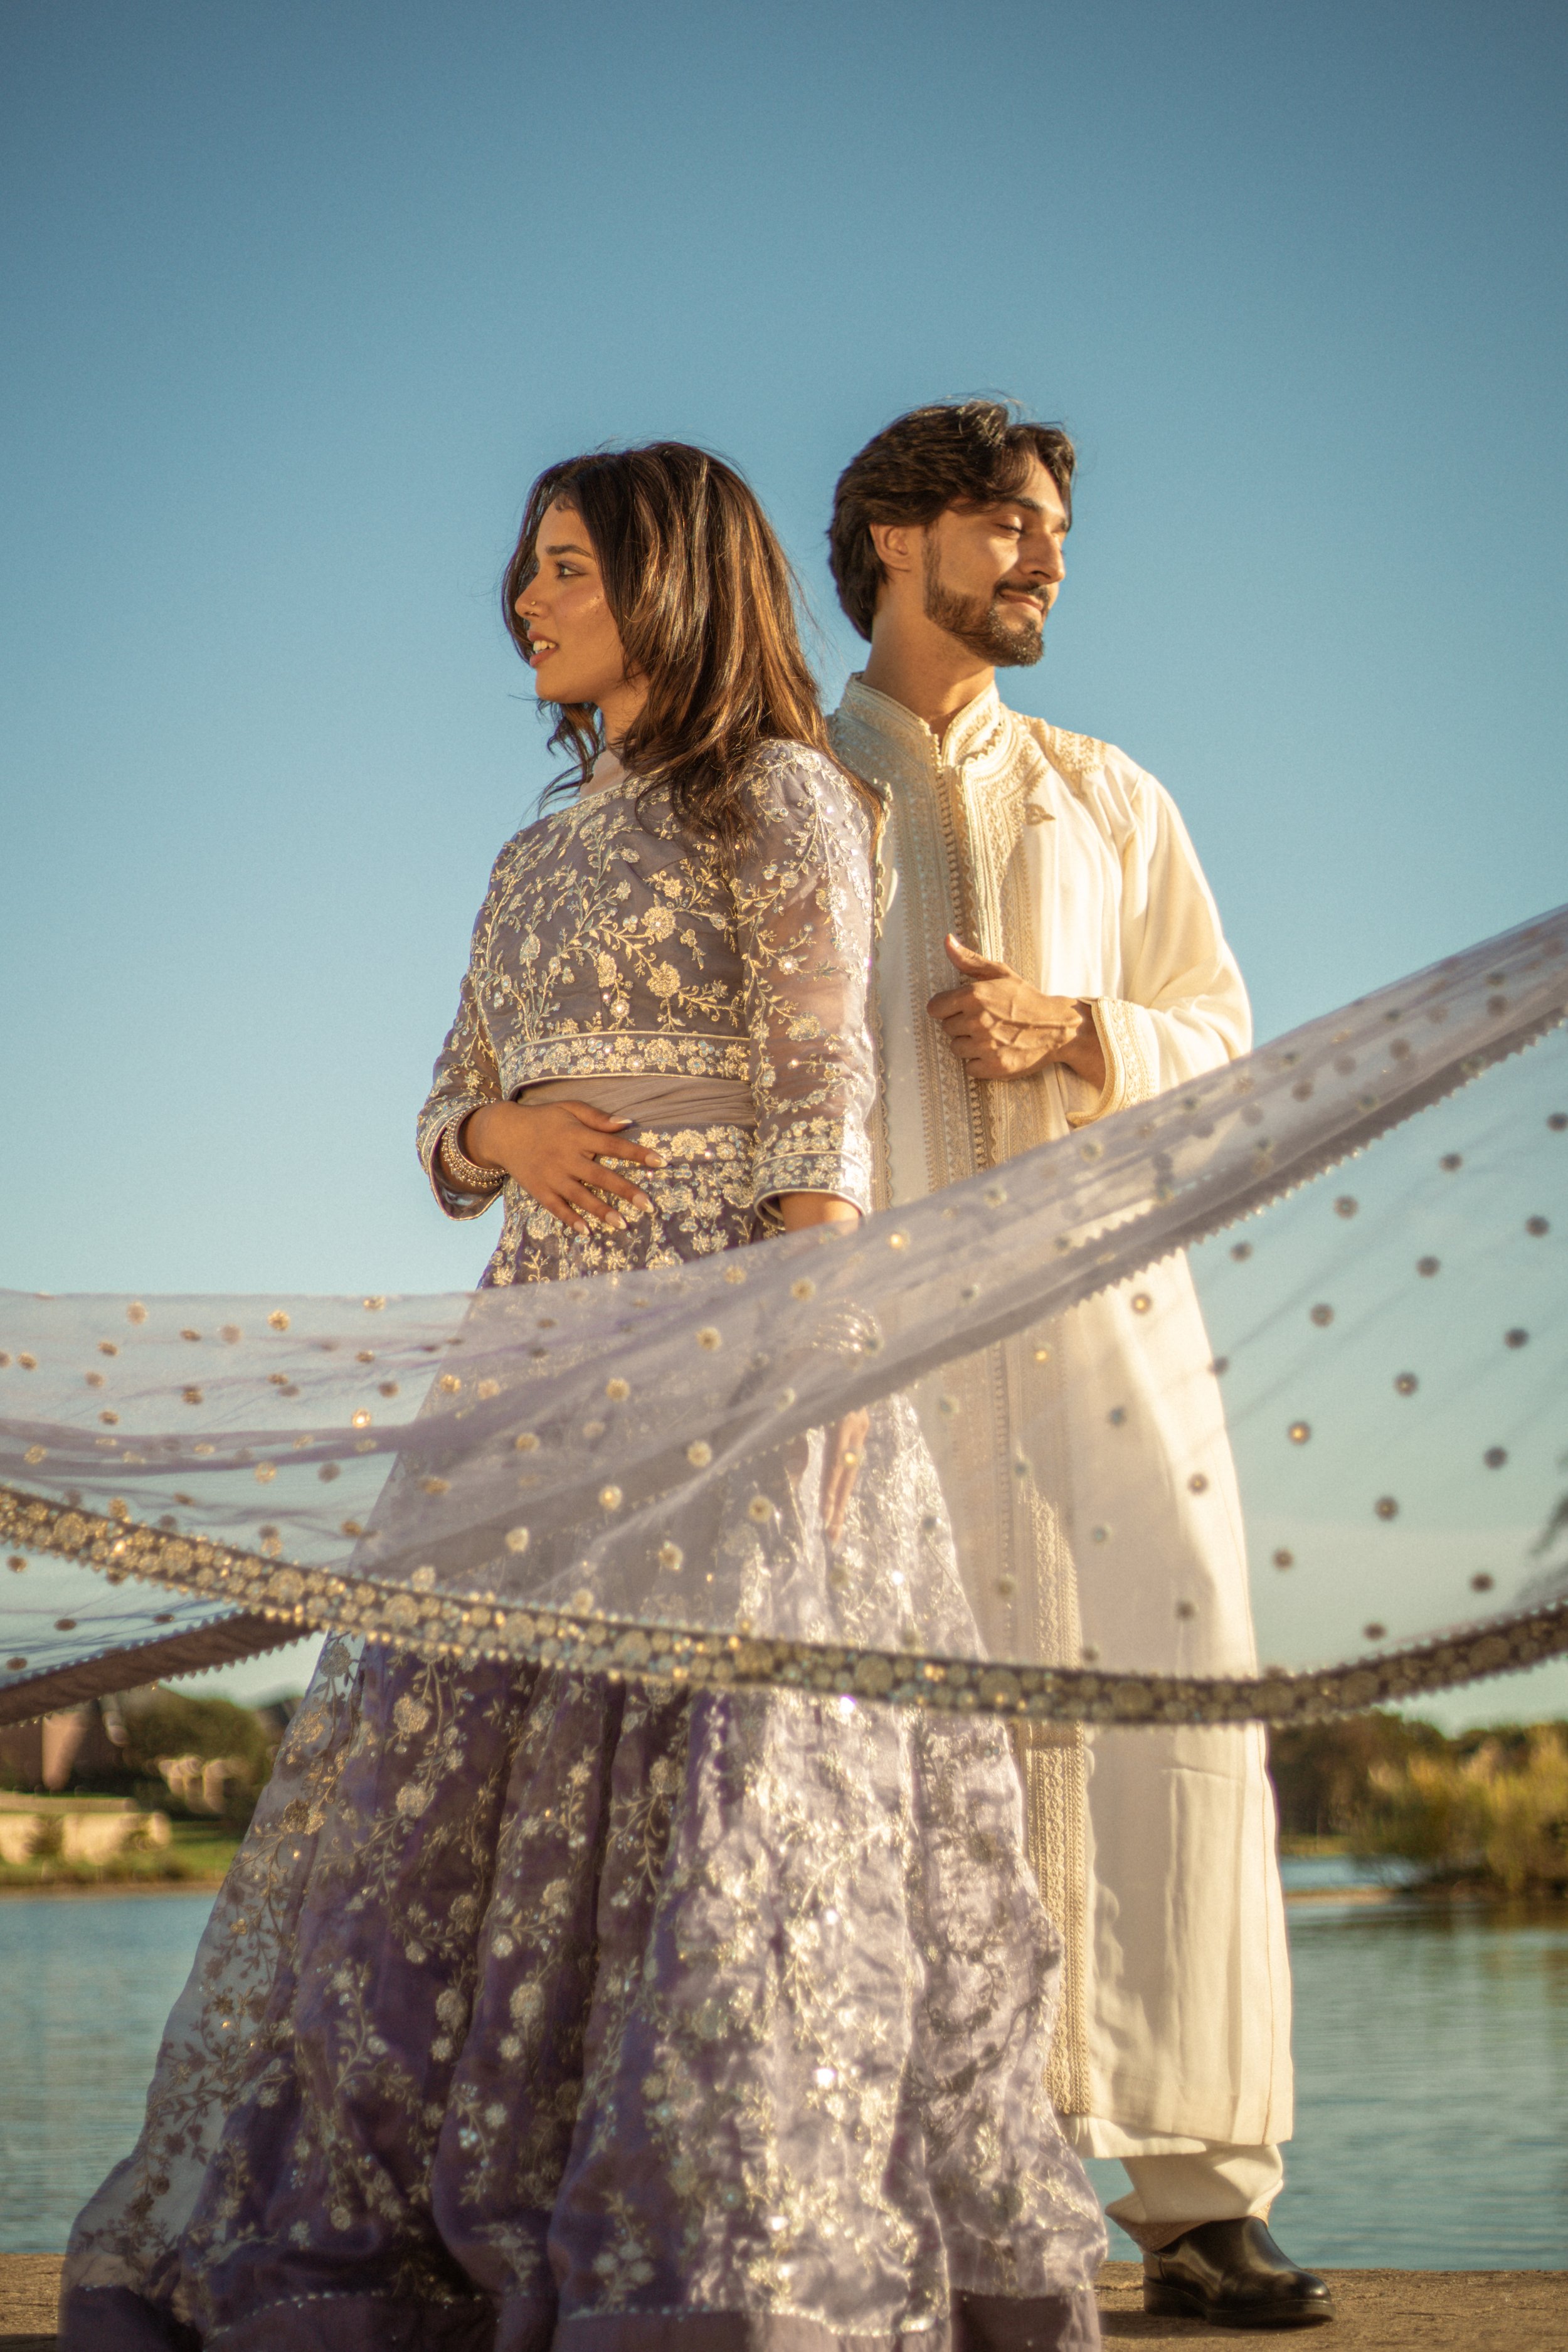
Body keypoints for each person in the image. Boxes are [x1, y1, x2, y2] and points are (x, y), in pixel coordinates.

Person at [59, 442, 1105, 2350]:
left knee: (731, 1777)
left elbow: (821, 1089)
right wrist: (496, 1126)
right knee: (462, 1780)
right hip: (539, 1345)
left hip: (731, 1330)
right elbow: (441, 1112)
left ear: (669, 580)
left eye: (561, 565)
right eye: (525, 568)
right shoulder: (529, 850)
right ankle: (466, 2211)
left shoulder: (786, 795)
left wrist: (813, 1349)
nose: (521, 599)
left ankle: (710, 2241)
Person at [825, 402, 1332, 2331]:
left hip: (1117, 1351)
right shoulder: (796, 782)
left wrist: (1081, 1029)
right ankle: (914, 2172)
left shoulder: (1113, 799)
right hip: (879, 1361)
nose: (1043, 557)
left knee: (1174, 1723)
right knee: (880, 1745)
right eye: (1005, 524)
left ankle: (1201, 2200)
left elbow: (1233, 1047)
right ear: (890, 535)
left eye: (1052, 530)